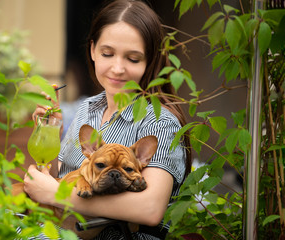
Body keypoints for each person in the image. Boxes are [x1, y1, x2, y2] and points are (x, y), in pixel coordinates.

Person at [23, 0, 192, 239]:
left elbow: (150, 209)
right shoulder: (87, 109)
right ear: (92, 50)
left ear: (150, 60)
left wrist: (55, 193)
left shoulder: (159, 122)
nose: (117, 68)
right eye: (107, 53)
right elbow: (62, 178)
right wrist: (51, 133)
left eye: (133, 59)